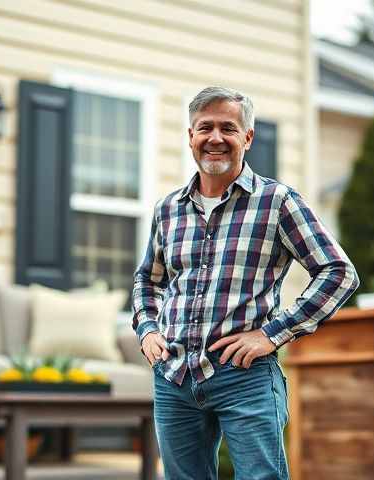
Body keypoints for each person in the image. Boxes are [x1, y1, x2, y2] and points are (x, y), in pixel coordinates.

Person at [132, 86, 360, 479]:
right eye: (205, 128)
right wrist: (148, 330)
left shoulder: (278, 202)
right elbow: (147, 281)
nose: (215, 138)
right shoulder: (168, 209)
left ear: (247, 137)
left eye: (228, 128)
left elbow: (338, 273)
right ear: (191, 137)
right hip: (174, 378)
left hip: (245, 376)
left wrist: (272, 334)